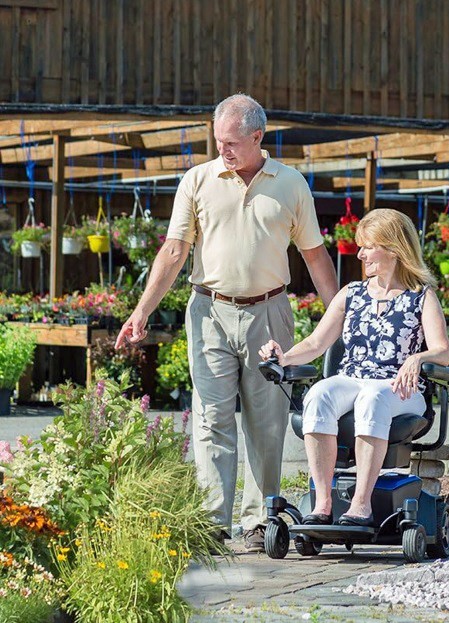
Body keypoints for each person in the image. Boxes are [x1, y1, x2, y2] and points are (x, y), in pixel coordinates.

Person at [115, 93, 338, 551]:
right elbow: (174, 250)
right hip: (209, 312)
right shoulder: (197, 180)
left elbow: (315, 256)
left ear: (258, 137)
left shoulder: (291, 184)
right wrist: (142, 310)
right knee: (211, 417)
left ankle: (260, 522)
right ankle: (214, 522)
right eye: (218, 141)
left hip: (270, 313)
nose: (224, 150)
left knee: (267, 420)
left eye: (233, 142)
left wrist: (339, 320)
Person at [259, 208, 449, 527]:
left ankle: (361, 504)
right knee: (319, 394)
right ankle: (323, 504)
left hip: (401, 390)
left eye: (368, 246)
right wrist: (282, 356)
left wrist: (417, 359)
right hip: (354, 380)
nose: (360, 254)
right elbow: (315, 344)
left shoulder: (421, 296)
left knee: (373, 397)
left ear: (393, 247)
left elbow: (443, 352)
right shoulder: (352, 294)